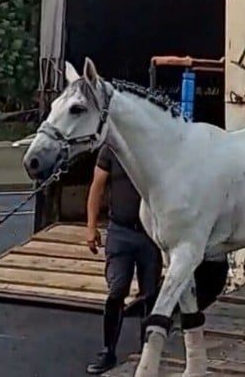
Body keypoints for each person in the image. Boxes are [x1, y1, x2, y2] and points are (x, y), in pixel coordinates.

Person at [84, 144, 163, 374]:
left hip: (150, 232)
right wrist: (91, 226)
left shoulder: (152, 148)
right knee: (117, 290)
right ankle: (108, 350)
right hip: (121, 230)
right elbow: (97, 187)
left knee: (150, 294)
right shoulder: (111, 150)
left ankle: (146, 351)